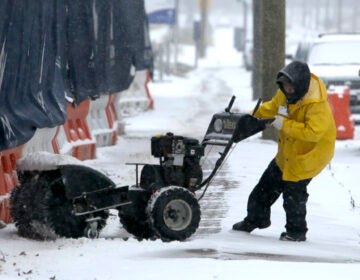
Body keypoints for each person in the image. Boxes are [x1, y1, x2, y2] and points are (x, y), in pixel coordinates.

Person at [232, 60, 336, 241]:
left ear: (300, 85)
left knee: (293, 195)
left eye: (290, 88)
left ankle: (296, 232)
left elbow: (313, 133)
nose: (287, 91)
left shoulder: (316, 104)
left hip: (309, 155)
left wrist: (284, 124)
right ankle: (255, 219)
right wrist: (250, 115)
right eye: (284, 87)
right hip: (287, 153)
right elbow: (272, 107)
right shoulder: (285, 95)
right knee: (265, 187)